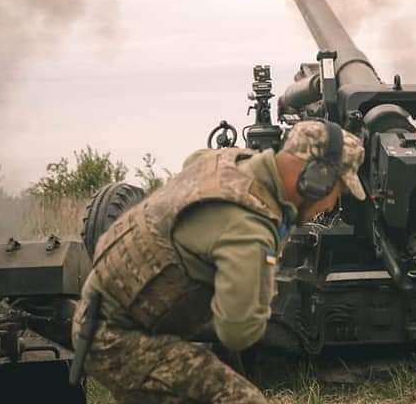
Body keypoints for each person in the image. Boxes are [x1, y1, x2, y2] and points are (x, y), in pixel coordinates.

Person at [72, 120, 365, 403]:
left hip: (105, 308)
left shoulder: (228, 160)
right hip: (114, 339)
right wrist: (261, 279)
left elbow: (194, 160)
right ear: (317, 178)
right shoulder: (250, 229)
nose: (332, 205)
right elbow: (238, 331)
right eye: (337, 191)